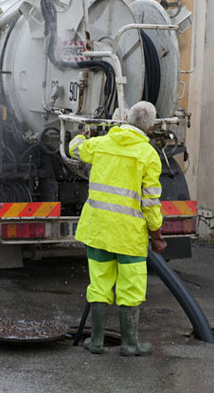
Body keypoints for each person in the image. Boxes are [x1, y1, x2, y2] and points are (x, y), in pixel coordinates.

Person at [69, 101, 167, 356]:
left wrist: (83, 133)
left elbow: (75, 148)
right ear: (151, 126)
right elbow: (150, 202)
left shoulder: (102, 144)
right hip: (129, 236)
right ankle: (129, 344)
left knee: (99, 284)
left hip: (99, 231)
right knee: (130, 288)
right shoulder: (149, 156)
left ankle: (96, 342)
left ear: (125, 119)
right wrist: (156, 235)